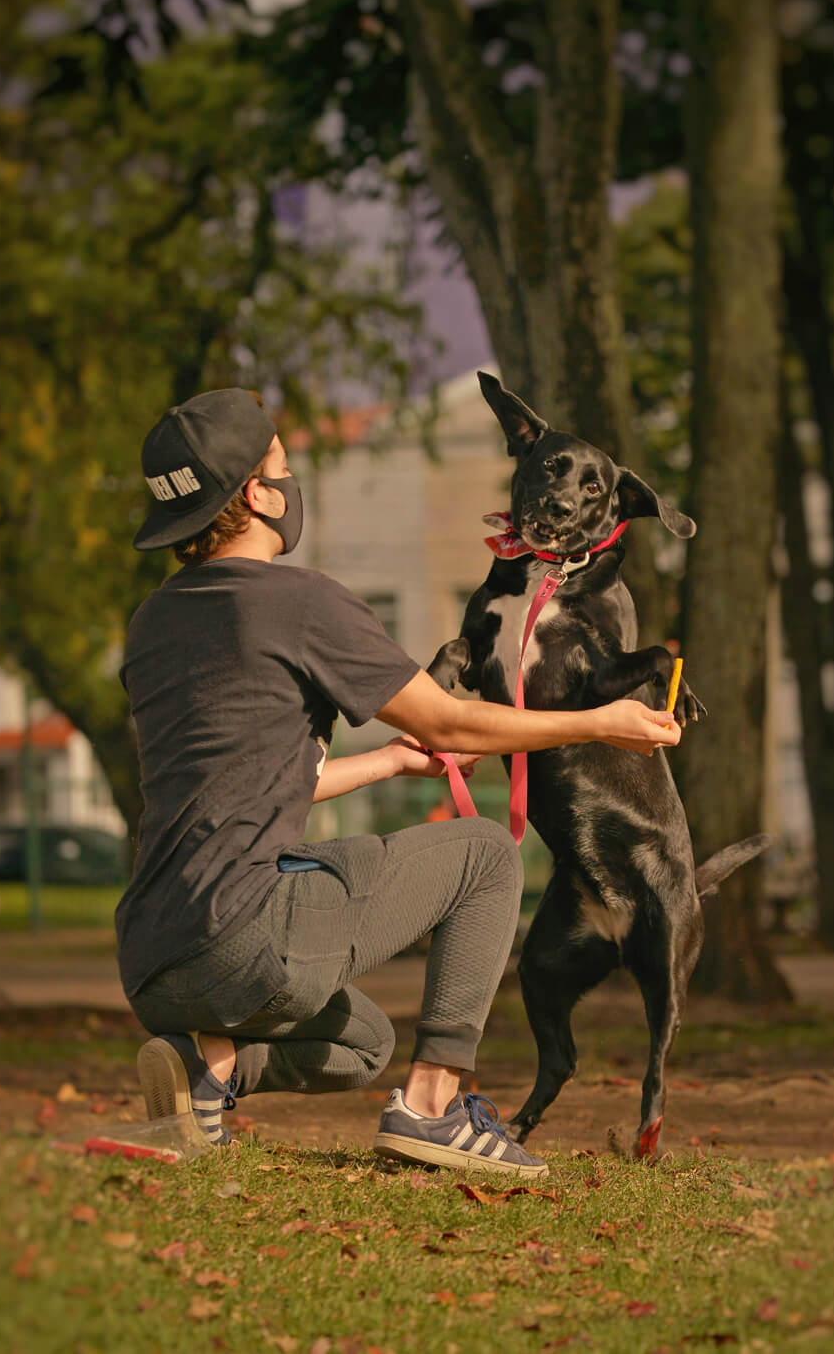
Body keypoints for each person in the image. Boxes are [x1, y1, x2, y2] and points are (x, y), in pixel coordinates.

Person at [120, 388, 681, 1178]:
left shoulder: (153, 623)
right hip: (246, 936)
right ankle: (434, 1107)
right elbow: (451, 722)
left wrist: (387, 759)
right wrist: (603, 720)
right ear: (255, 493)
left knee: (364, 1044)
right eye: (283, 466)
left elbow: (239, 783)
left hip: (150, 953)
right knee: (487, 855)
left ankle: (207, 1067)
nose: (291, 484)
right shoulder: (300, 603)